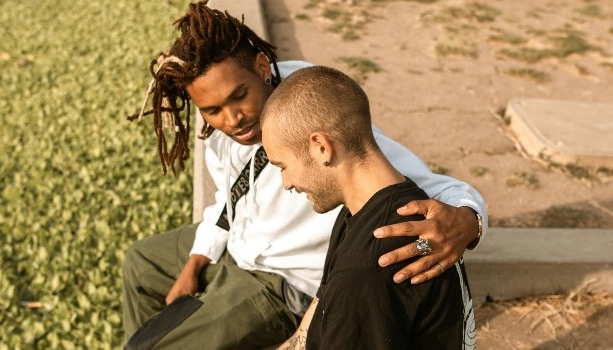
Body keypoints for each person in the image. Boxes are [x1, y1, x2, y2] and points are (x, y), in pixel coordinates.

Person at [123, 2, 486, 348]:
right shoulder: (224, 129)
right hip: (241, 245)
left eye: (239, 96)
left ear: (262, 66)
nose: (232, 118)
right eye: (213, 109)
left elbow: (392, 175)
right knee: (140, 262)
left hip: (279, 281)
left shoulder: (310, 111)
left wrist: (468, 222)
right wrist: (197, 260)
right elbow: (228, 200)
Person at [263, 66, 476, 350]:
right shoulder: (377, 207)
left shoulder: (366, 271)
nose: (286, 183)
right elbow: (312, 324)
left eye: (283, 167)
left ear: (321, 147)